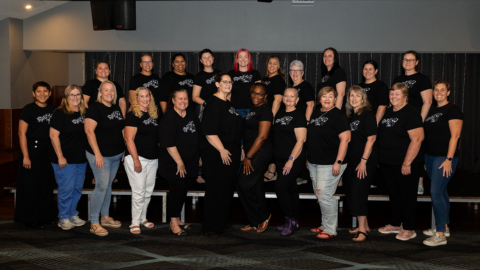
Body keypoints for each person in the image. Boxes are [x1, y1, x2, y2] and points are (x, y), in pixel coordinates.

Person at [377, 82, 424, 241]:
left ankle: (409, 228)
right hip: (387, 163)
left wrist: (407, 163)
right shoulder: (388, 112)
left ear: (405, 96)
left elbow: (417, 139)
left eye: (397, 94)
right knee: (394, 195)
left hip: (404, 164)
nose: (393, 97)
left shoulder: (411, 113)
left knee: (407, 196)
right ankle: (396, 223)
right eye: (392, 94)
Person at [200, 72, 243, 238]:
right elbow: (209, 132)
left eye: (230, 82)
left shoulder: (227, 104)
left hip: (230, 151)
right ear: (217, 84)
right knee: (216, 189)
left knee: (226, 189)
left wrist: (239, 148)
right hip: (217, 152)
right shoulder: (213, 103)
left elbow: (234, 129)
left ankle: (221, 223)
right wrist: (222, 150)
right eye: (224, 82)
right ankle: (211, 226)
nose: (228, 84)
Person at [422, 80, 463, 247]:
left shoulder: (452, 109)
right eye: (436, 90)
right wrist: (426, 158)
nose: (438, 92)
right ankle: (444, 226)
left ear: (448, 92)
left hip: (444, 158)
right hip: (430, 157)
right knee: (442, 190)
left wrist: (449, 159)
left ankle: (440, 235)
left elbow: (455, 136)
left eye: (442, 90)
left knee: (435, 192)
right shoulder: (431, 110)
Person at [307, 86, 350, 239]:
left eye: (330, 96)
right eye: (324, 96)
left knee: (324, 194)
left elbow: (346, 139)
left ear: (335, 98)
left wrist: (338, 161)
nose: (326, 99)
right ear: (319, 98)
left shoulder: (338, 115)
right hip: (314, 162)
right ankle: (326, 225)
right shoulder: (316, 113)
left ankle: (330, 229)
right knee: (321, 195)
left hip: (331, 161)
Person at [85, 80, 125, 236]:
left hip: (116, 155)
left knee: (108, 185)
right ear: (100, 93)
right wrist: (98, 154)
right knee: (101, 186)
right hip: (101, 156)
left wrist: (124, 149)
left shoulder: (115, 107)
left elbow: (121, 128)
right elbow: (89, 132)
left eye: (112, 91)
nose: (109, 93)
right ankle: (94, 222)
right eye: (106, 90)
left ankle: (105, 217)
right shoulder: (95, 108)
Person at [264, 60, 314, 184]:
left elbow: (311, 105)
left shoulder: (306, 86)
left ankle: (301, 176)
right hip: (290, 126)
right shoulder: (291, 89)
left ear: (302, 73)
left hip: (300, 124)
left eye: (297, 71)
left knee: (300, 147)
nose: (295, 73)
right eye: (292, 71)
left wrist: (306, 122)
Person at [159, 89, 200, 236]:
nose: (183, 101)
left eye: (186, 99)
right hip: (175, 163)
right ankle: (173, 222)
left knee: (183, 191)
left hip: (190, 161)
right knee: (176, 192)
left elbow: (197, 136)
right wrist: (180, 162)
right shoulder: (169, 118)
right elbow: (169, 144)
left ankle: (178, 219)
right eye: (180, 99)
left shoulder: (191, 115)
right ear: (174, 101)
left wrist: (198, 156)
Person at [14, 81, 55, 229]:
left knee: (46, 185)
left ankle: (45, 216)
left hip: (48, 151)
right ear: (33, 94)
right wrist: (26, 156)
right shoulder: (28, 109)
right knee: (31, 186)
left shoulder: (53, 109)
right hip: (31, 151)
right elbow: (21, 133)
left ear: (50, 93)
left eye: (45, 91)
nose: (42, 94)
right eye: (39, 91)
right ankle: (30, 218)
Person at [392, 50, 433, 195]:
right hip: (401, 119)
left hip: (416, 118)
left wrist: (419, 121)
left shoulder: (422, 79)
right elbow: (394, 100)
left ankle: (419, 182)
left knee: (418, 148)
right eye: (405, 59)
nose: (407, 62)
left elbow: (427, 101)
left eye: (411, 60)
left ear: (417, 62)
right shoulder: (398, 78)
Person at [49, 85, 88, 230]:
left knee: (77, 189)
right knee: (66, 189)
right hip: (64, 159)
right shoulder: (60, 113)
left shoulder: (84, 113)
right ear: (66, 97)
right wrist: (60, 157)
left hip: (80, 158)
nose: (75, 97)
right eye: (72, 95)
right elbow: (53, 135)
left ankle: (73, 214)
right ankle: (63, 217)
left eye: (78, 94)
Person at [237, 83, 273, 233]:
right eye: (254, 93)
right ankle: (255, 221)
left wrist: (249, 156)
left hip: (261, 152)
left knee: (242, 184)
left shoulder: (265, 110)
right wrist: (244, 150)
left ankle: (262, 216)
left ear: (265, 96)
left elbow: (263, 136)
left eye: (260, 94)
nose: (256, 97)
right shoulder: (253, 109)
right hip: (252, 151)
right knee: (255, 186)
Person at [344, 86, 378, 242]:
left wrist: (363, 161)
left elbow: (371, 139)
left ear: (363, 98)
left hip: (365, 162)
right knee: (353, 193)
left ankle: (363, 230)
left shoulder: (368, 115)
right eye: (352, 95)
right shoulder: (351, 116)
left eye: (358, 95)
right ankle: (364, 225)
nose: (354, 98)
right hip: (353, 162)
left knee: (359, 194)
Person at [124, 87, 159, 234]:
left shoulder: (154, 114)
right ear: (136, 99)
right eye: (142, 96)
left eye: (147, 96)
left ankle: (143, 218)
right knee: (138, 192)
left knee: (148, 191)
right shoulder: (132, 115)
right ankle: (134, 222)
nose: (145, 99)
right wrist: (136, 159)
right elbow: (128, 139)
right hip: (137, 159)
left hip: (153, 159)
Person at [273, 88, 307, 236]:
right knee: (291, 188)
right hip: (280, 159)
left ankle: (290, 220)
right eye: (286, 95)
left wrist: (290, 160)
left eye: (292, 96)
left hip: (293, 159)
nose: (288, 98)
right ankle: (295, 220)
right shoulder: (279, 113)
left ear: (297, 100)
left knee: (280, 187)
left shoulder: (299, 115)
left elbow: (301, 141)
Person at [228, 48, 262, 118]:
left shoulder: (255, 73)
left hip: (252, 109)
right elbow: (227, 93)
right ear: (237, 60)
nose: (243, 59)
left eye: (245, 57)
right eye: (240, 57)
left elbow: (260, 93)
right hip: (235, 109)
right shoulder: (231, 74)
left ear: (249, 59)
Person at [192, 49, 221, 120]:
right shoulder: (199, 76)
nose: (207, 59)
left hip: (220, 107)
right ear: (201, 61)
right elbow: (195, 97)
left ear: (213, 58)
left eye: (209, 57)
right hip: (205, 109)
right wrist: (206, 104)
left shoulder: (220, 73)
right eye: (205, 57)